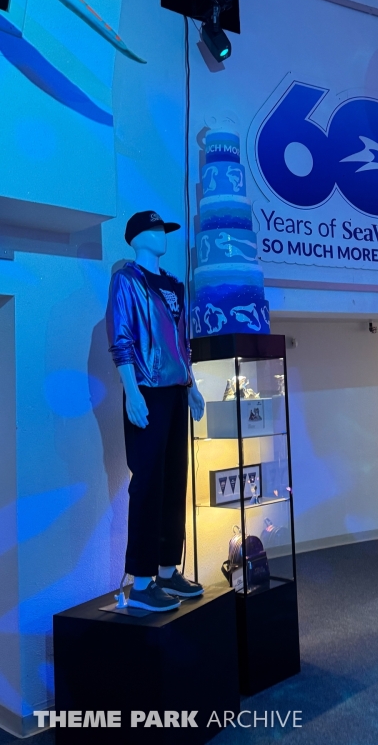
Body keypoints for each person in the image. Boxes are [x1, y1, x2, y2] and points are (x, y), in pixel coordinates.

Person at [107, 211, 205, 612]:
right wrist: (131, 392)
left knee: (174, 482)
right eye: (154, 229)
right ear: (136, 237)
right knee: (147, 484)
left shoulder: (173, 285)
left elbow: (182, 343)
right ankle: (142, 582)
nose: (161, 235)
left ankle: (166, 570)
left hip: (175, 391)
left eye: (163, 229)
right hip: (147, 391)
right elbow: (121, 338)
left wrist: (191, 386)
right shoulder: (127, 280)